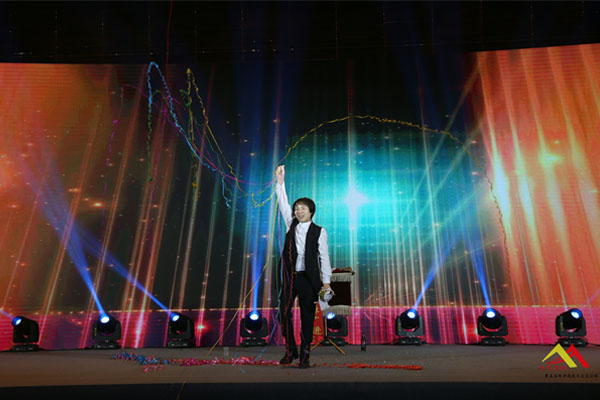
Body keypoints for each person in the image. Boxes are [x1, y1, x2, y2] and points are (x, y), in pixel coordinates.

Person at [275, 165, 332, 369]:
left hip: (308, 279)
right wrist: (280, 182)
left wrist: (326, 283)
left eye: (303, 208)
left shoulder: (319, 231)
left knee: (307, 315)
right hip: (290, 277)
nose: (298, 211)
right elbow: (282, 202)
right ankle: (290, 349)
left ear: (311, 212)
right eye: (297, 208)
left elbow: (324, 257)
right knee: (283, 312)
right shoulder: (290, 224)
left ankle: (305, 353)